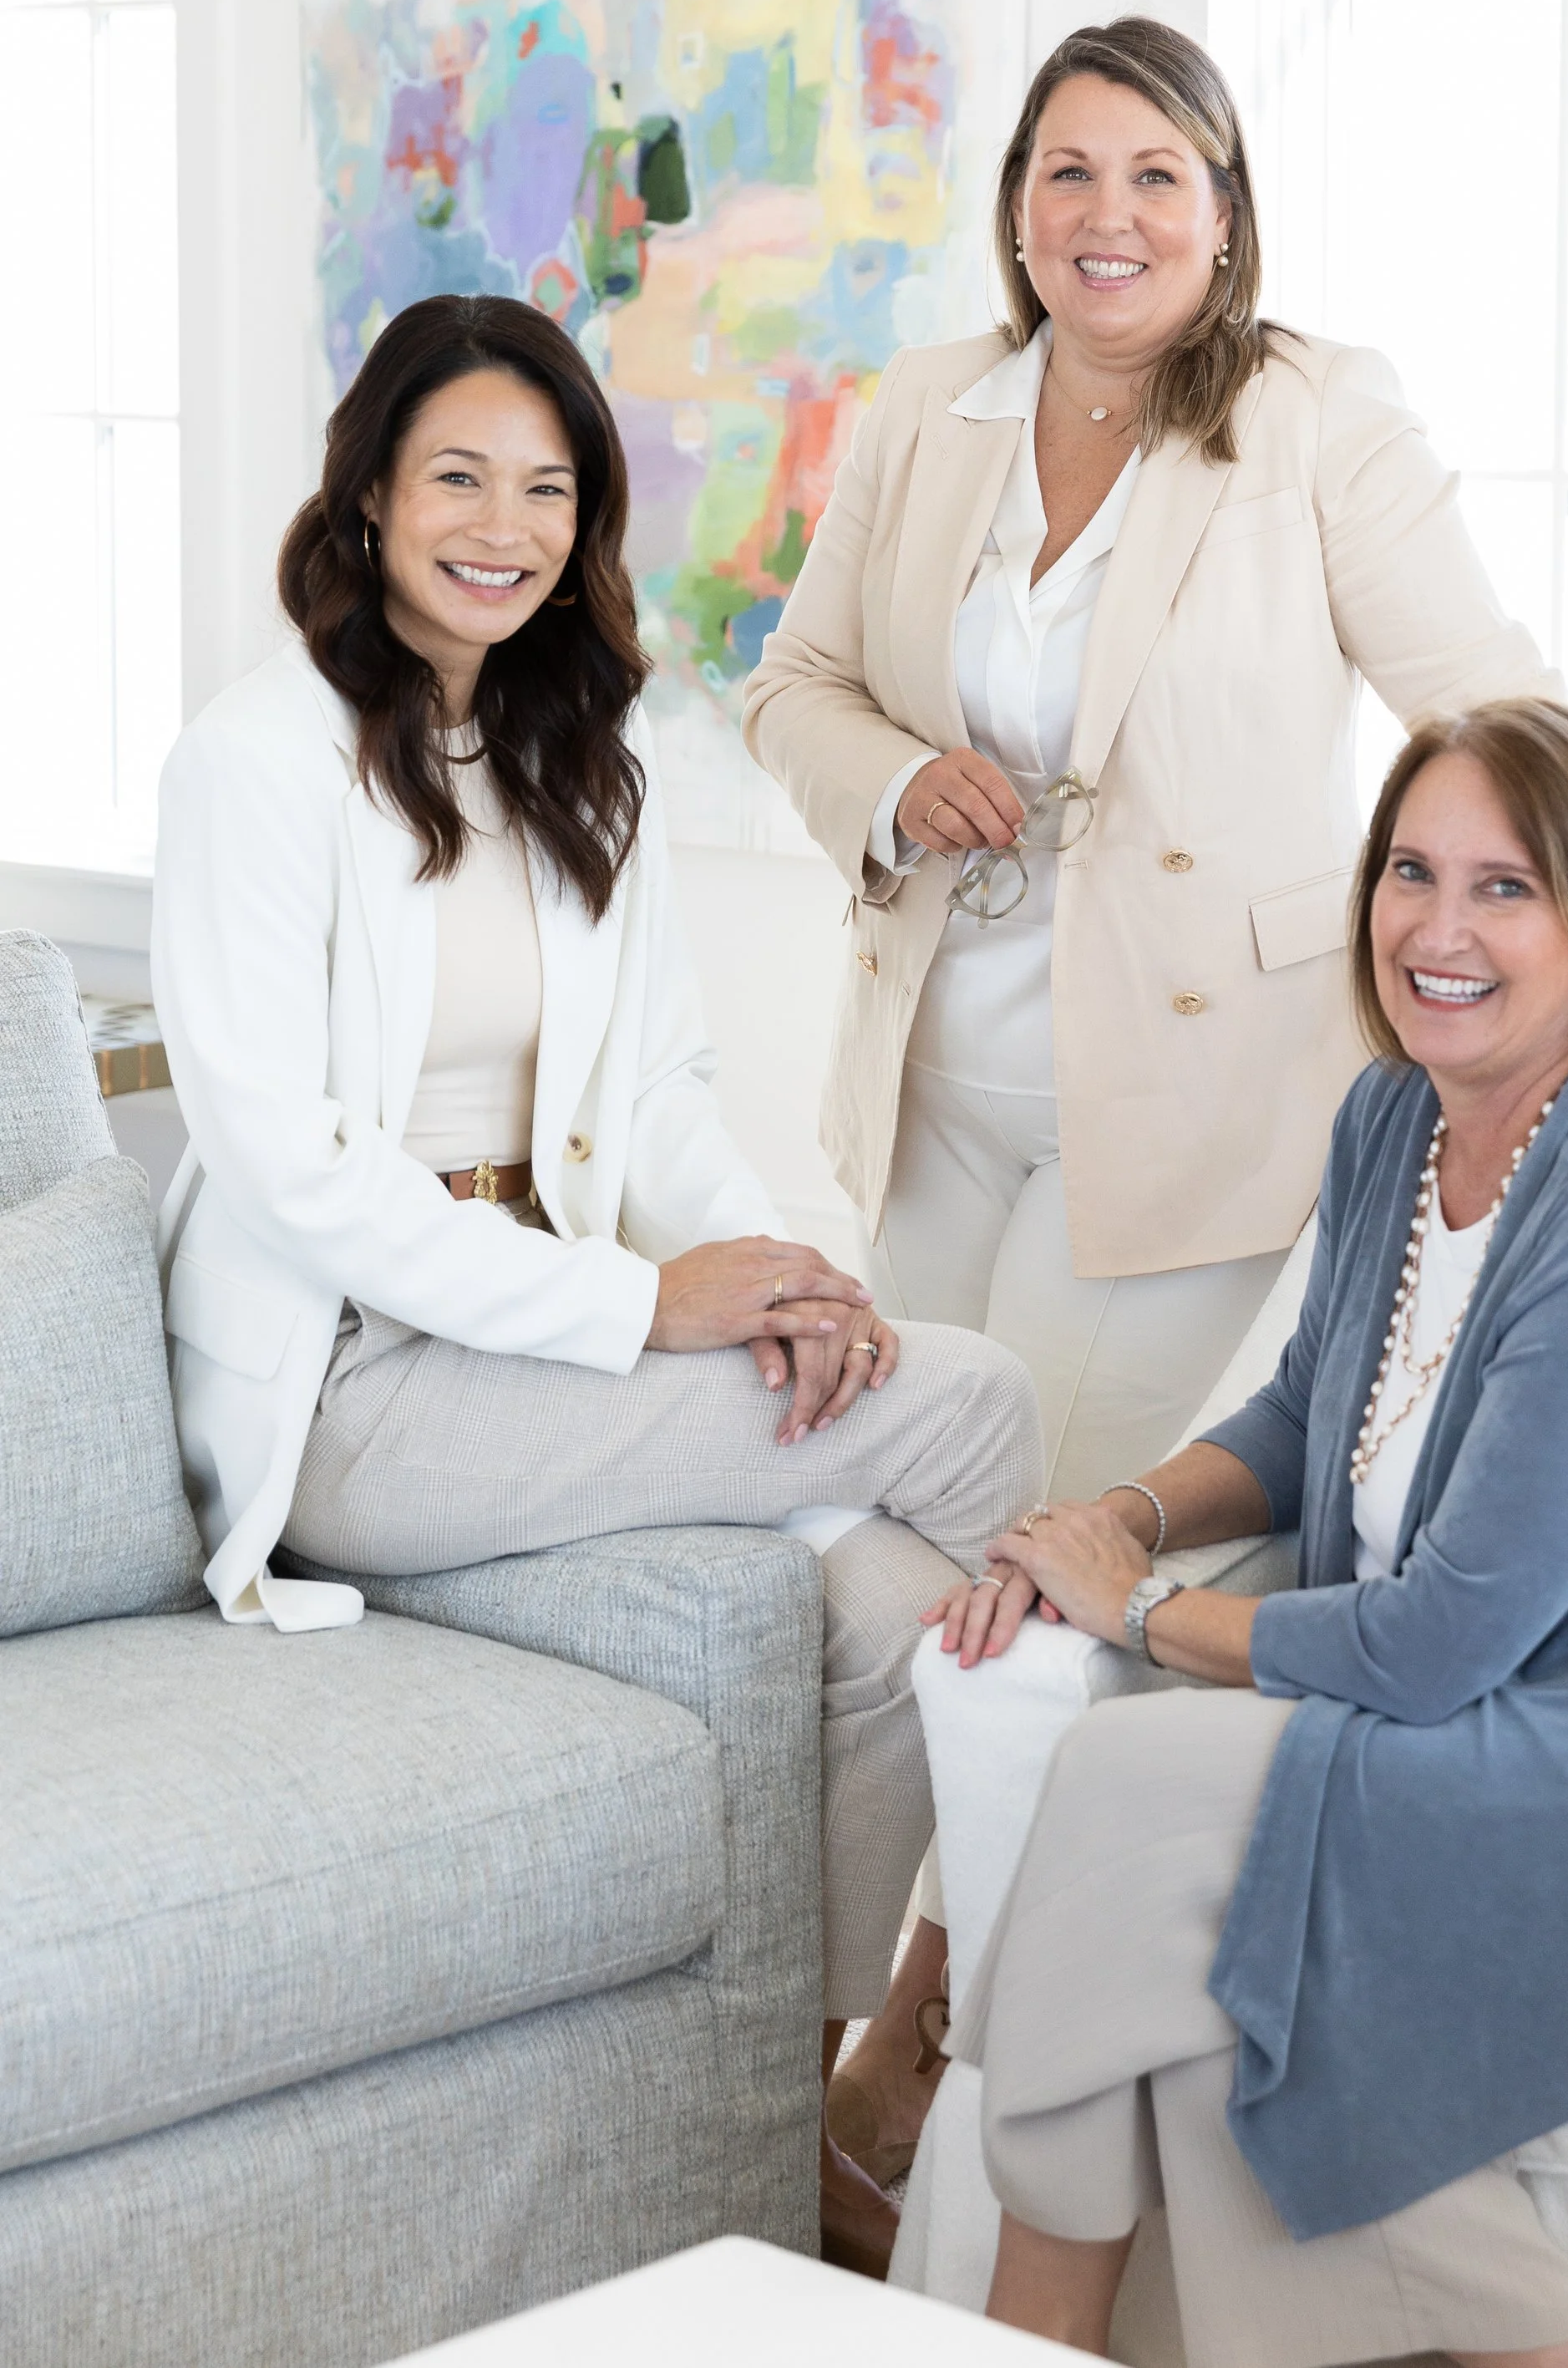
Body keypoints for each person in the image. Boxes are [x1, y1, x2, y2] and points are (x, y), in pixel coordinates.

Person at [150, 293, 1043, 2269]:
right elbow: (290, 1169)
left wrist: (783, 1273)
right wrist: (653, 1308)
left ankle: (801, 2124)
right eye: (458, 478)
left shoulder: (576, 747)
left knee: (899, 1610)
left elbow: (659, 1099)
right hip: (354, 1392)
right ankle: (979, 2024)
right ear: (369, 495)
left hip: (532, 1355)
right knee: (975, 1401)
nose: (504, 527)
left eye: (547, 490)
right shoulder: (254, 760)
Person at [742, 17, 1548, 2193]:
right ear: (1017, 202)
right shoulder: (931, 407)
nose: (1105, 217)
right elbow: (788, 685)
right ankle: (815, 2030)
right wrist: (889, 777)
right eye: (1066, 172)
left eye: (1153, 176)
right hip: (932, 1097)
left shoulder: (1311, 418)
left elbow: (1492, 713)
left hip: (1193, 1111)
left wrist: (1513, 946)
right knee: (878, 1576)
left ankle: (921, 2071)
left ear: (1223, 208)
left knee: (1032, 1587)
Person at [928, 698, 1568, 2367]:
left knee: (1127, 1790)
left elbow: (1434, 1643)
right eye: (1410, 871)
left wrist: (1134, 1611)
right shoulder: (1391, 1120)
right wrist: (1117, 1513)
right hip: (1517, 1700)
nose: (1436, 929)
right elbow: (1305, 1411)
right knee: (1219, 1991)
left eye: (1503, 887)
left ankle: (1023, 2335)